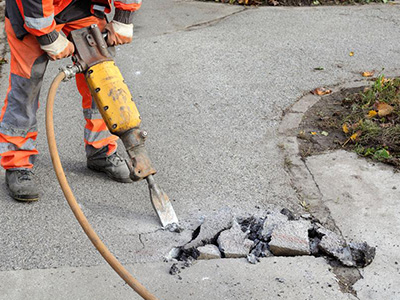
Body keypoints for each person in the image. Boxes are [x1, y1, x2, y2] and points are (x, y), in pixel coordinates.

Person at [1, 0, 141, 201]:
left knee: (102, 74)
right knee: (26, 87)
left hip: (81, 5)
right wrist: (48, 36)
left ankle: (101, 150)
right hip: (31, 12)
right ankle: (17, 163)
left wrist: (124, 18)